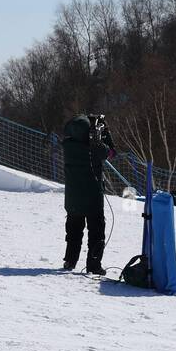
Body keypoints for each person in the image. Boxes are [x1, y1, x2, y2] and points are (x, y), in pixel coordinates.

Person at [62, 113, 115, 274]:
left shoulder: (67, 145)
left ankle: (70, 261)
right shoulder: (96, 148)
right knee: (96, 232)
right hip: (93, 198)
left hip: (73, 199)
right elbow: (111, 153)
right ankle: (93, 265)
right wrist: (105, 132)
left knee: (73, 231)